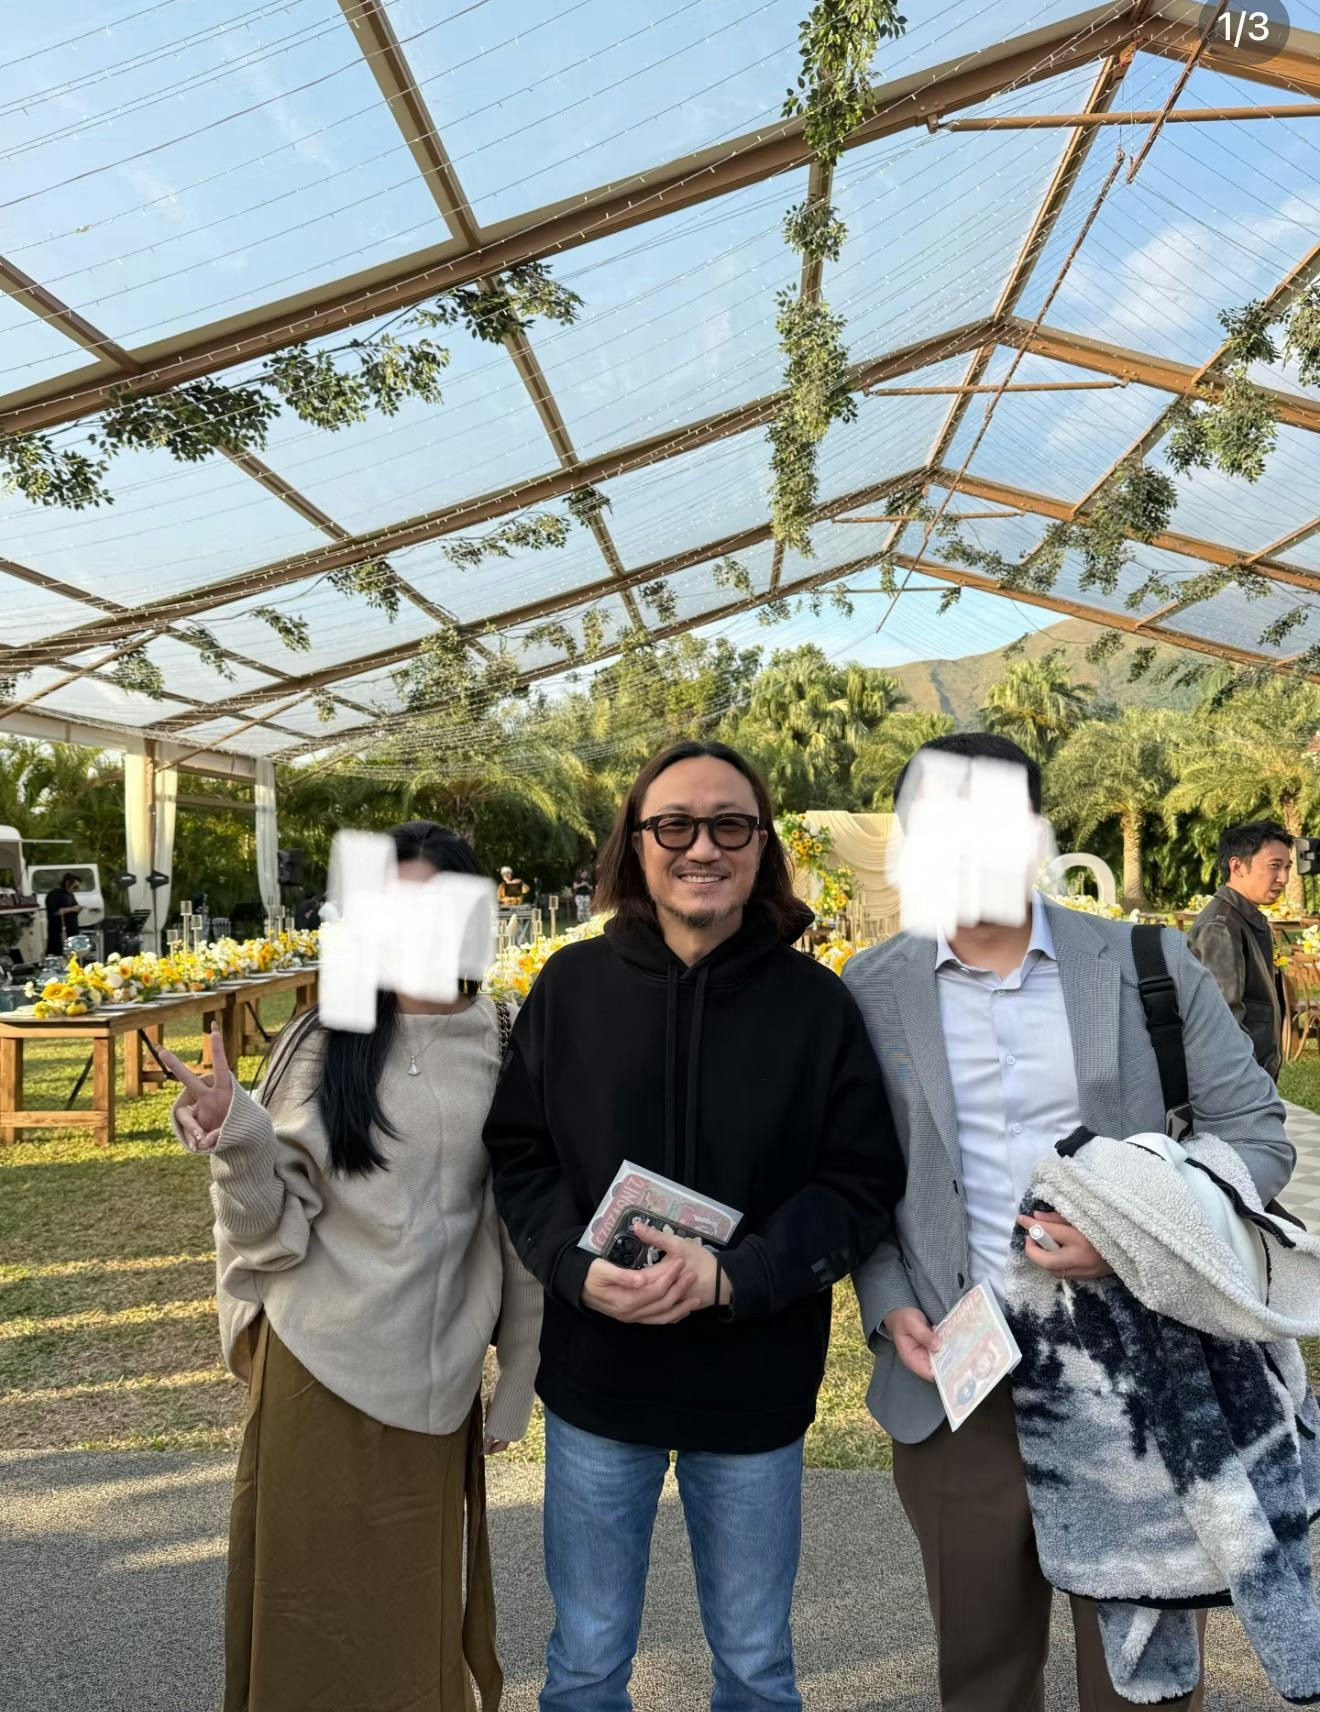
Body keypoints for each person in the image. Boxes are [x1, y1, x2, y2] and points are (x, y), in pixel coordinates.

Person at [842, 733, 1294, 1712]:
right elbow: (856, 1179)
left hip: (1141, 1369)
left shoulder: (1144, 964)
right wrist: (887, 1303)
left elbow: (1257, 1134)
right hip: (958, 1373)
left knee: (1146, 1684)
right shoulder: (868, 989)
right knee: (983, 1674)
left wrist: (1136, 1236)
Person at [484, 739, 904, 1712]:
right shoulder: (571, 988)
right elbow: (520, 1151)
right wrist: (572, 1266)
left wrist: (738, 1275)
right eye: (674, 824)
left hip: (752, 1383)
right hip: (598, 1381)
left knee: (756, 1663)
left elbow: (861, 1179)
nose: (702, 846)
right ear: (635, 845)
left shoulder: (817, 1006)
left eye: (730, 825)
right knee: (585, 1660)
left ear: (763, 847)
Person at [163, 821, 541, 1712]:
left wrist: (518, 1379)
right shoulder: (321, 1041)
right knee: (303, 1618)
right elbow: (269, 1234)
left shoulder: (505, 1036)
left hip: (435, 1385)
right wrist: (238, 1143)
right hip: (315, 1372)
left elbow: (516, 1225)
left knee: (409, 1624)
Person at [1188, 821, 1293, 1078]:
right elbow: (1223, 1020)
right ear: (1237, 867)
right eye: (1274, 866)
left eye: (1287, 867)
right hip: (1239, 1080)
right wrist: (1246, 1082)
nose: (1284, 878)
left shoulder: (1242, 919)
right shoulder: (1221, 926)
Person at [44, 872, 82, 957]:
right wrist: (71, 909)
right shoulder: (54, 895)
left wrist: (77, 909)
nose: (76, 889)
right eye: (75, 887)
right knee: (58, 951)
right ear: (67, 884)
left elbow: (74, 907)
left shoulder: (70, 895)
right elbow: (55, 911)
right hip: (58, 929)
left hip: (72, 929)